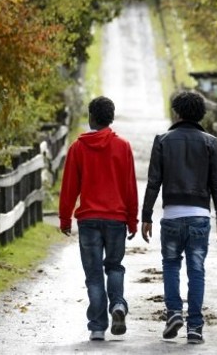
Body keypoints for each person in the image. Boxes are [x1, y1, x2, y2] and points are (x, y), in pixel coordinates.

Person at [141, 90, 217, 345]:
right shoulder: (211, 142)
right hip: (200, 216)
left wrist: (146, 215)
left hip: (171, 216)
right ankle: (195, 328)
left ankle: (174, 313)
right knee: (197, 270)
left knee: (170, 265)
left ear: (177, 112)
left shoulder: (163, 140)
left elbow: (153, 182)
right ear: (201, 113)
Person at [58, 96, 138, 341]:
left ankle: (96, 327)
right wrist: (132, 220)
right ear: (111, 118)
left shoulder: (78, 148)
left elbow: (70, 187)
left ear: (91, 117)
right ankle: (117, 305)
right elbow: (130, 187)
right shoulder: (123, 147)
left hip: (89, 220)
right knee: (114, 266)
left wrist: (64, 219)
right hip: (116, 219)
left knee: (93, 274)